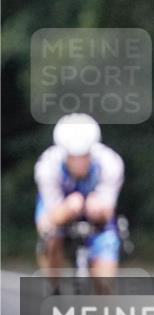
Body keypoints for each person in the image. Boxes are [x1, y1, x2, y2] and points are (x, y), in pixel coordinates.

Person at [35, 113, 124, 294]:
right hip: (60, 207)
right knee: (51, 238)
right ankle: (54, 288)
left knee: (105, 278)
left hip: (95, 211)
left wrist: (97, 210)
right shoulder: (47, 166)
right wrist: (68, 208)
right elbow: (47, 219)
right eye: (73, 156)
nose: (79, 162)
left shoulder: (110, 163)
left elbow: (107, 212)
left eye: (84, 156)